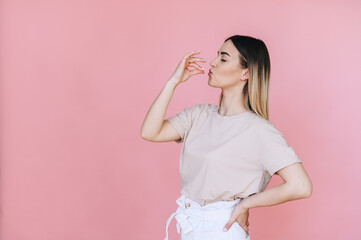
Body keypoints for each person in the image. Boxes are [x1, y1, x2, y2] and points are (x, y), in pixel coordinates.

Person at [140, 35, 313, 240]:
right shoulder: (198, 115)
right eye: (217, 56)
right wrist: (173, 81)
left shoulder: (260, 131)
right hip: (189, 223)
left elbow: (301, 186)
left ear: (245, 73)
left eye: (223, 58)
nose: (213, 63)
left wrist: (247, 203)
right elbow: (149, 132)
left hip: (221, 229)